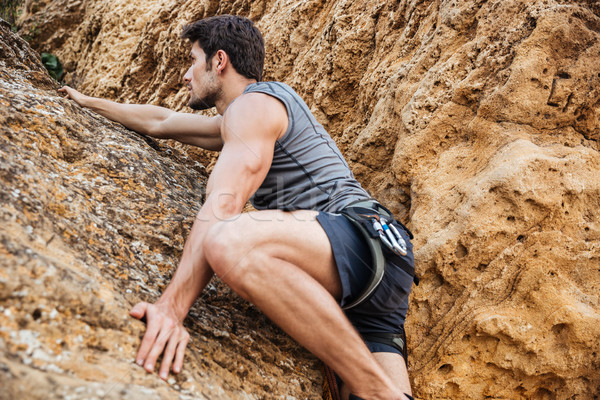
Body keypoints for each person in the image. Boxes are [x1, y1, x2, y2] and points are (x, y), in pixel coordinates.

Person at [59, 15, 417, 400]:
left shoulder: (255, 105)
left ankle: (374, 388)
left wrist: (171, 308)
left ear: (219, 61)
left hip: (357, 240)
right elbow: (161, 121)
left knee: (229, 241)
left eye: (193, 60)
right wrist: (85, 101)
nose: (185, 75)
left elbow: (224, 202)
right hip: (384, 265)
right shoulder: (245, 116)